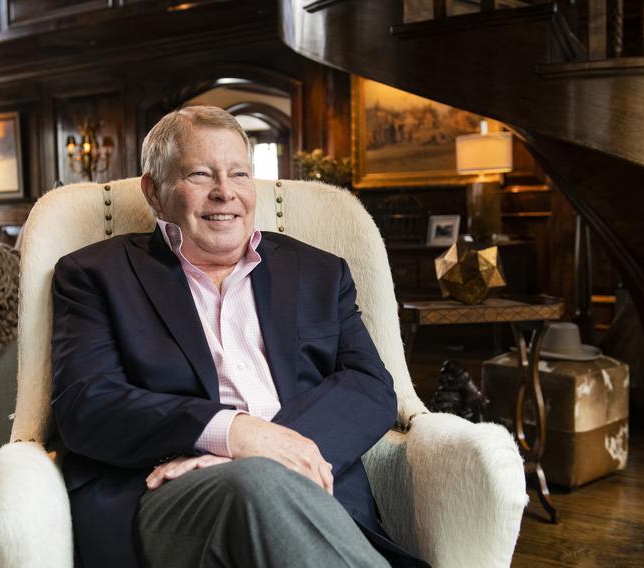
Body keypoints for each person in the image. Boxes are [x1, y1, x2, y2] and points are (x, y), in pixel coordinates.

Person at [51, 105, 428, 568]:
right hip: (165, 492)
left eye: (239, 174)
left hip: (315, 497)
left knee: (259, 480)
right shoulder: (94, 275)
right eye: (200, 174)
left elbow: (370, 387)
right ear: (154, 191)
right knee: (256, 483)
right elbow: (87, 405)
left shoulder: (318, 272)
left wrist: (266, 448)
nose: (224, 193)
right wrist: (230, 431)